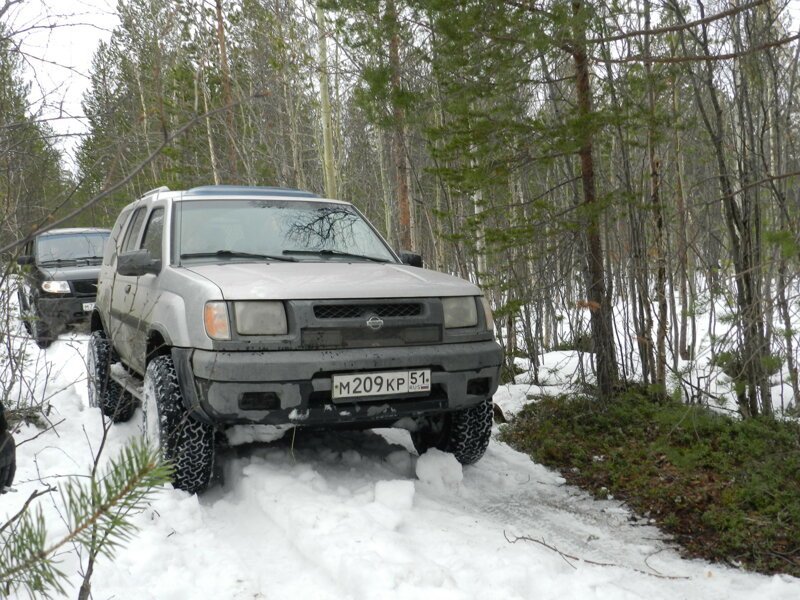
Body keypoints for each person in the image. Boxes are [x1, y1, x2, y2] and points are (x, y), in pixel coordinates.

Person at [0, 402, 15, 491]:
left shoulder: (8, 439)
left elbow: (12, 465)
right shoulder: (9, 438)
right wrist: (7, 485)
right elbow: (12, 466)